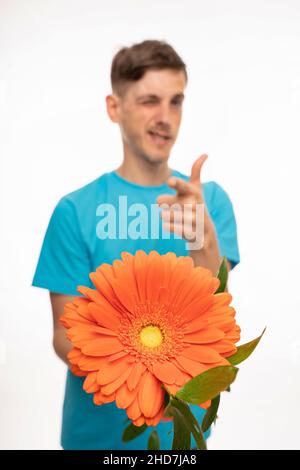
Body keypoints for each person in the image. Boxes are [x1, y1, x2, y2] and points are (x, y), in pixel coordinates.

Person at [32, 39, 240, 450]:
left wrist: (204, 241)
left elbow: (215, 318)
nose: (165, 118)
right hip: (94, 440)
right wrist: (142, 365)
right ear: (115, 107)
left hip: (184, 441)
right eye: (149, 101)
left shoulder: (209, 201)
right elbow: (63, 335)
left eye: (176, 101)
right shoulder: (75, 210)